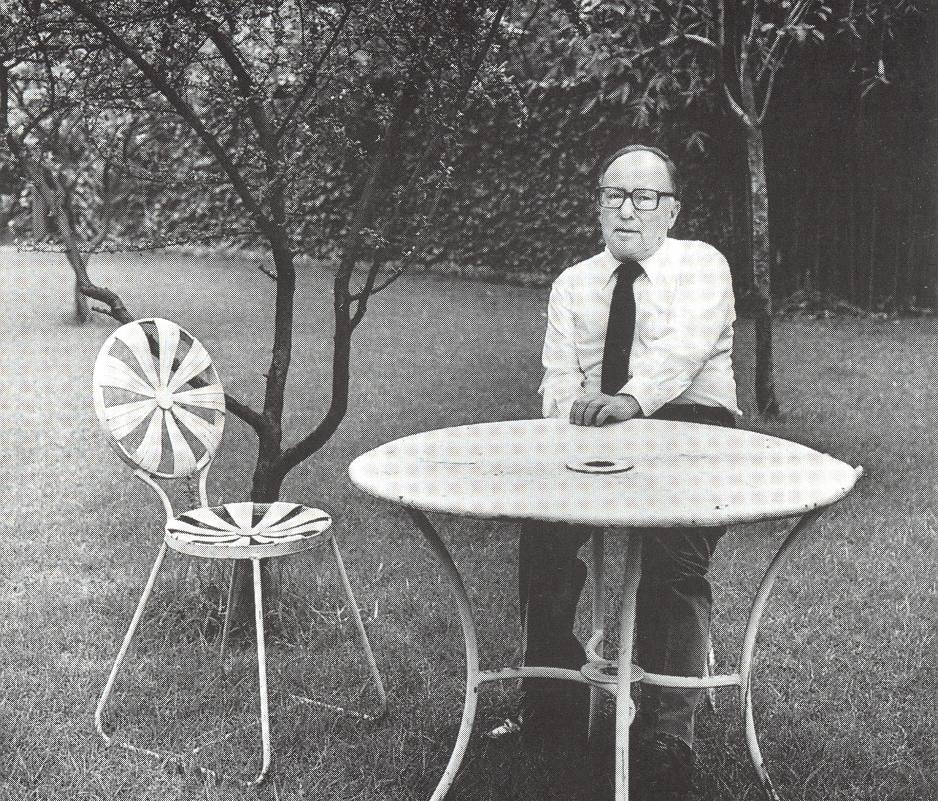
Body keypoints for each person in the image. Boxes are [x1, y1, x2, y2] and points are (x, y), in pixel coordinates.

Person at [492, 144, 740, 800]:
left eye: (645, 197)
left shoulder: (702, 265)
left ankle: (666, 731)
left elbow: (683, 355)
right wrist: (573, 412)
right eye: (614, 195)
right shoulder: (574, 283)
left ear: (672, 210)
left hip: (691, 428)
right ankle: (553, 706)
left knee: (674, 559)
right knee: (542, 541)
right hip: (595, 431)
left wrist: (629, 401)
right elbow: (556, 379)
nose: (628, 210)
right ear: (599, 206)